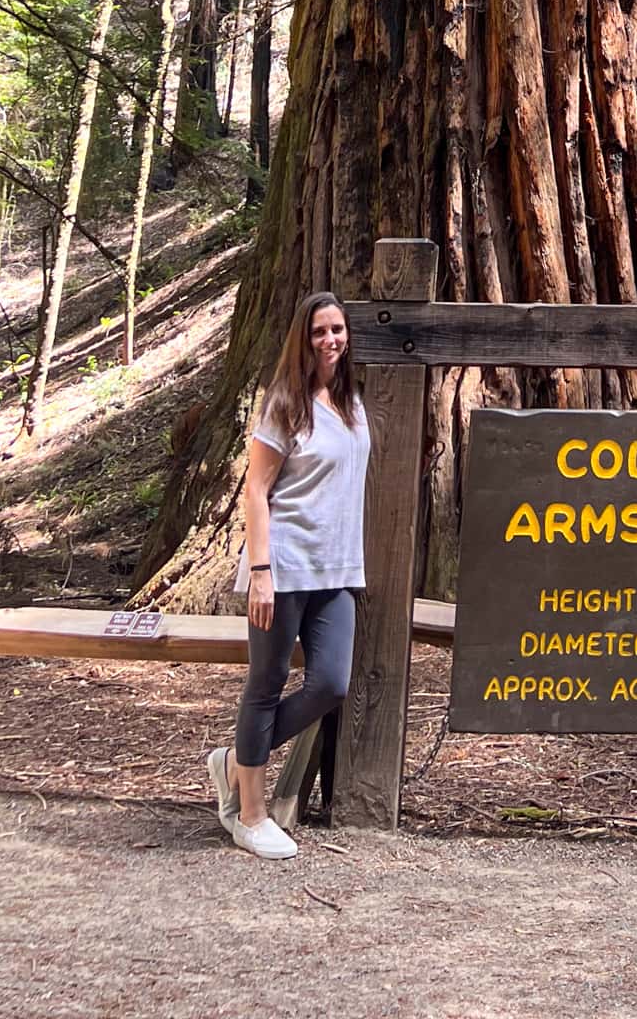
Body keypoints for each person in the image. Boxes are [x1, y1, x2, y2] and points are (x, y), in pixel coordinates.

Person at [207, 292, 370, 859]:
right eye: (320, 331)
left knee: (331, 682)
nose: (331, 340)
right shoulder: (284, 403)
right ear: (304, 338)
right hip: (284, 567)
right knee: (266, 684)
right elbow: (255, 490)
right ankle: (250, 815)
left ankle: (234, 762)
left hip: (337, 571)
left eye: (338, 330)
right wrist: (259, 572)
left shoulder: (350, 401)